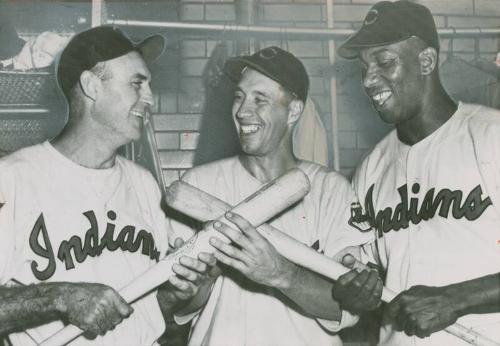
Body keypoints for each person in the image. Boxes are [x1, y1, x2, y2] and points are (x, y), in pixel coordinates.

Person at [0, 26, 215, 345]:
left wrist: (185, 290)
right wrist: (60, 297)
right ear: (91, 86)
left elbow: (147, 311)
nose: (150, 99)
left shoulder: (143, 184)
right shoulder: (14, 177)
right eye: (137, 84)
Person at [168, 46, 375, 346]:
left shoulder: (331, 190)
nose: (241, 111)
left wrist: (280, 273)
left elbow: (346, 306)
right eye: (238, 96)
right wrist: (202, 281)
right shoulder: (199, 185)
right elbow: (179, 309)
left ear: (293, 111)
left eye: (259, 99)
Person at [333, 1, 500, 345]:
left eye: (385, 62)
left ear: (426, 61)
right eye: (364, 67)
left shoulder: (490, 135)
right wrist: (356, 293)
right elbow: (368, 277)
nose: (368, 79)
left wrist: (457, 298)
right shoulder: (371, 168)